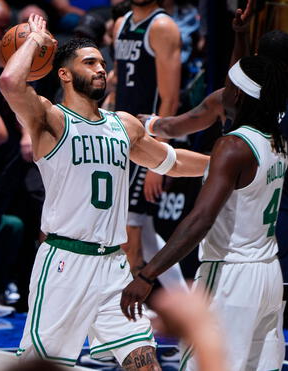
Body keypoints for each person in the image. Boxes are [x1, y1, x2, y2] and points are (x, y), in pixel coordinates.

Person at [0, 14, 208, 369]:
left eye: (103, 63)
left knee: (145, 362)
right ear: (63, 73)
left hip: (114, 266)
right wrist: (35, 39)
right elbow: (9, 82)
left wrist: (223, 164)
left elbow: (171, 161)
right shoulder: (51, 120)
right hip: (65, 263)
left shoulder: (122, 125)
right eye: (90, 62)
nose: (101, 69)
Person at [121, 54, 288, 371]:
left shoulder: (233, 147)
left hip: (231, 273)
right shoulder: (276, 139)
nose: (219, 93)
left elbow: (200, 220)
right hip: (269, 273)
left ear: (238, 94)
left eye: (226, 86)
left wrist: (147, 274)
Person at [143, 29, 288, 294]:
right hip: (279, 225)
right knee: (269, 318)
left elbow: (175, 129)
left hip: (237, 231)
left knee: (214, 330)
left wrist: (148, 123)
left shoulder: (232, 113)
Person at [113, 0, 186, 287]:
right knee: (142, 231)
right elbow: (119, 82)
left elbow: (170, 98)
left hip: (145, 139)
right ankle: (187, 305)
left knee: (130, 230)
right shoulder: (121, 24)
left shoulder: (163, 27)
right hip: (119, 133)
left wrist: (159, 159)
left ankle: (129, 316)